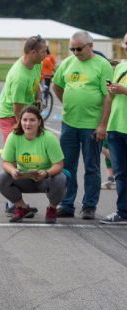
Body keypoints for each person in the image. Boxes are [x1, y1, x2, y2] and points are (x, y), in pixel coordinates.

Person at [52, 31, 113, 219]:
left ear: (91, 46)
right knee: (67, 166)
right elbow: (56, 85)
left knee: (91, 166)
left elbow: (108, 96)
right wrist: (68, 103)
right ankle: (67, 203)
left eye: (79, 48)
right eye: (72, 49)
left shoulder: (102, 65)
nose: (75, 52)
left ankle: (89, 205)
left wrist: (102, 125)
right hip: (69, 123)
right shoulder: (68, 63)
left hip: (91, 125)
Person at [0, 35, 47, 216]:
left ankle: (16, 202)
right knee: (14, 155)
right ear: (32, 52)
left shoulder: (37, 63)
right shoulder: (19, 76)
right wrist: (24, 131)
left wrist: (38, 99)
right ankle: (14, 204)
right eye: (43, 51)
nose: (46, 54)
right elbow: (18, 109)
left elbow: (37, 84)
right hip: (11, 115)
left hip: (27, 111)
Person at [0, 106, 66, 223]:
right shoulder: (13, 137)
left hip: (44, 178)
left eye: (32, 120)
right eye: (25, 120)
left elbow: (59, 165)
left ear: (39, 122)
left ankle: (52, 208)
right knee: (2, 178)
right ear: (20, 121)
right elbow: (6, 162)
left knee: (60, 179)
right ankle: (21, 207)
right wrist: (13, 171)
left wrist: (46, 173)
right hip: (24, 178)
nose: (28, 123)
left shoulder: (49, 138)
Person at [98, 32, 127, 224]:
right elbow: (109, 97)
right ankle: (123, 212)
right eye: (126, 43)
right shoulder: (121, 67)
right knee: (121, 172)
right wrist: (103, 124)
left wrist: (124, 90)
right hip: (116, 127)